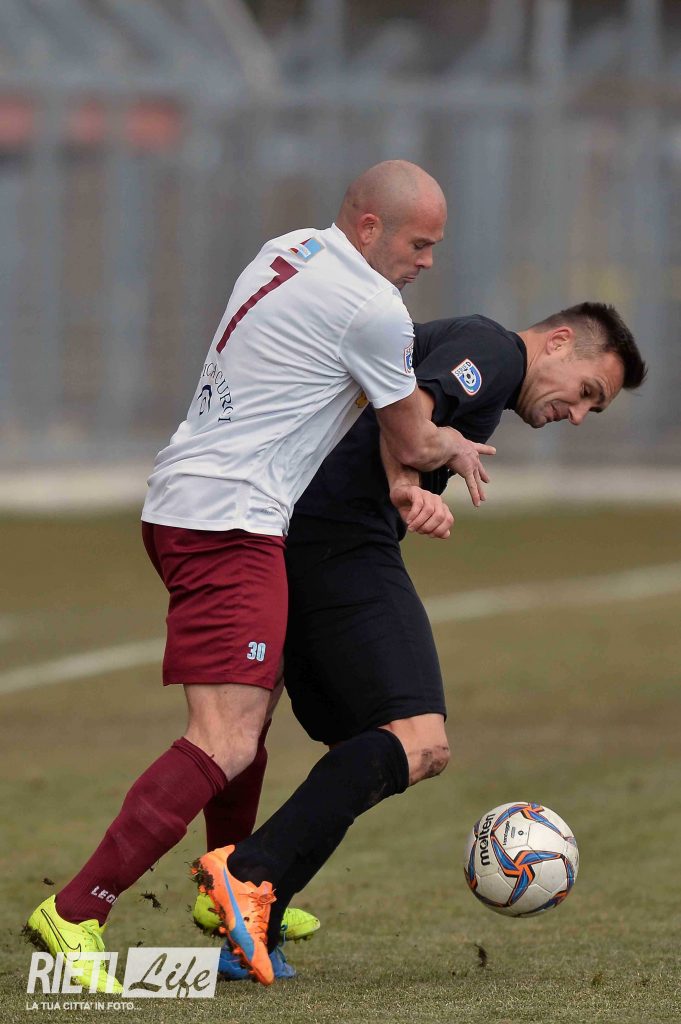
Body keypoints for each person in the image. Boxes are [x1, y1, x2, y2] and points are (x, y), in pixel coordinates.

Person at [26, 160, 494, 991]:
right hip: (228, 521)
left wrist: (400, 476)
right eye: (419, 244)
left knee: (252, 720)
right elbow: (415, 436)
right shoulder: (372, 308)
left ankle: (231, 887)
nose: (428, 262)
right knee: (225, 738)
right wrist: (451, 446)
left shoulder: (290, 248)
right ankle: (76, 910)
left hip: (200, 501)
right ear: (369, 228)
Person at [191, 302, 646, 982]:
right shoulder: (493, 353)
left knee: (361, 747)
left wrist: (408, 482)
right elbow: (409, 410)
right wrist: (408, 485)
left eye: (592, 410)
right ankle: (246, 874)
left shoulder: (484, 361)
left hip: (309, 533)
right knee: (419, 742)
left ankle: (257, 919)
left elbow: (398, 402)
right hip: (341, 539)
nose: (577, 415)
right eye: (586, 393)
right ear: (558, 342)